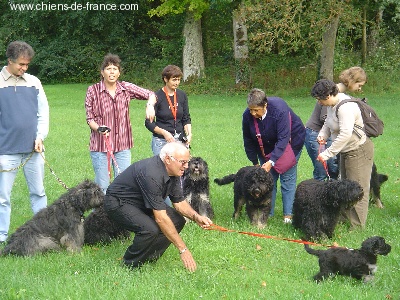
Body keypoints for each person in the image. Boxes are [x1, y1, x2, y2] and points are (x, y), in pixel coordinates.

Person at [104, 142, 212, 271]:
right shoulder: (151, 174)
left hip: (142, 201)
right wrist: (183, 249)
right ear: (167, 159)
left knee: (177, 220)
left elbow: (179, 202)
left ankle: (149, 257)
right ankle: (130, 265)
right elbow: (160, 218)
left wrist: (196, 217)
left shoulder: (175, 171)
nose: (187, 166)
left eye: (187, 162)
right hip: (118, 203)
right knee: (149, 229)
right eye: (183, 162)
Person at [85, 54, 157, 193]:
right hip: (101, 146)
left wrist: (150, 105)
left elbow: (151, 94)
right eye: (108, 68)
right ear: (102, 72)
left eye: (115, 68)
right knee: (102, 187)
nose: (111, 72)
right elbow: (90, 118)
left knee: (124, 185)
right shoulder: (92, 91)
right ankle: (100, 214)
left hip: (122, 145)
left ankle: (120, 213)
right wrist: (99, 128)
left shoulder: (126, 88)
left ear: (119, 72)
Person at [0, 41, 49, 243]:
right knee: (2, 198)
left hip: (33, 151)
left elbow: (43, 114)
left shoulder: (34, 82)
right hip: (5, 152)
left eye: (27, 64)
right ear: (9, 61)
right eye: (21, 64)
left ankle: (44, 233)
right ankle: (1, 236)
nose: (24, 68)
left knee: (38, 193)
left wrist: (40, 137)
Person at [311, 79, 374, 229]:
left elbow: (345, 134)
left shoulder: (346, 107)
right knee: (344, 186)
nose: (318, 103)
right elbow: (328, 123)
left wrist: (327, 153)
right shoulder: (331, 105)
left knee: (356, 187)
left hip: (358, 150)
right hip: (345, 151)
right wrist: (323, 134)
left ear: (328, 96)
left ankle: (357, 226)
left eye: (319, 99)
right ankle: (345, 218)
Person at [242, 88, 305, 223]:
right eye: (250, 110)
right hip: (264, 146)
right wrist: (254, 162)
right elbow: (247, 139)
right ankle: (268, 211)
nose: (253, 113)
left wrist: (272, 161)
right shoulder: (247, 115)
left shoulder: (279, 110)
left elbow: (283, 138)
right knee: (268, 178)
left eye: (256, 110)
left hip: (291, 143)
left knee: (287, 178)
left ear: (265, 105)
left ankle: (288, 215)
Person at [305, 67, 367, 180]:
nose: (359, 89)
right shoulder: (329, 94)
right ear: (353, 81)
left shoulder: (338, 97)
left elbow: (338, 125)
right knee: (324, 172)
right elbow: (326, 118)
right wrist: (324, 134)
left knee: (333, 170)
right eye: (359, 85)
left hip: (334, 136)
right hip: (316, 132)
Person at [145, 65, 192, 155]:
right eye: (174, 80)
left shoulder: (182, 95)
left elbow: (186, 118)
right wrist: (164, 133)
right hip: (161, 140)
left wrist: (189, 134)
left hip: (180, 139)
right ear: (165, 79)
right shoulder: (156, 97)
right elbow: (148, 123)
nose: (177, 83)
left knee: (180, 167)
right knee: (162, 168)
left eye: (178, 80)